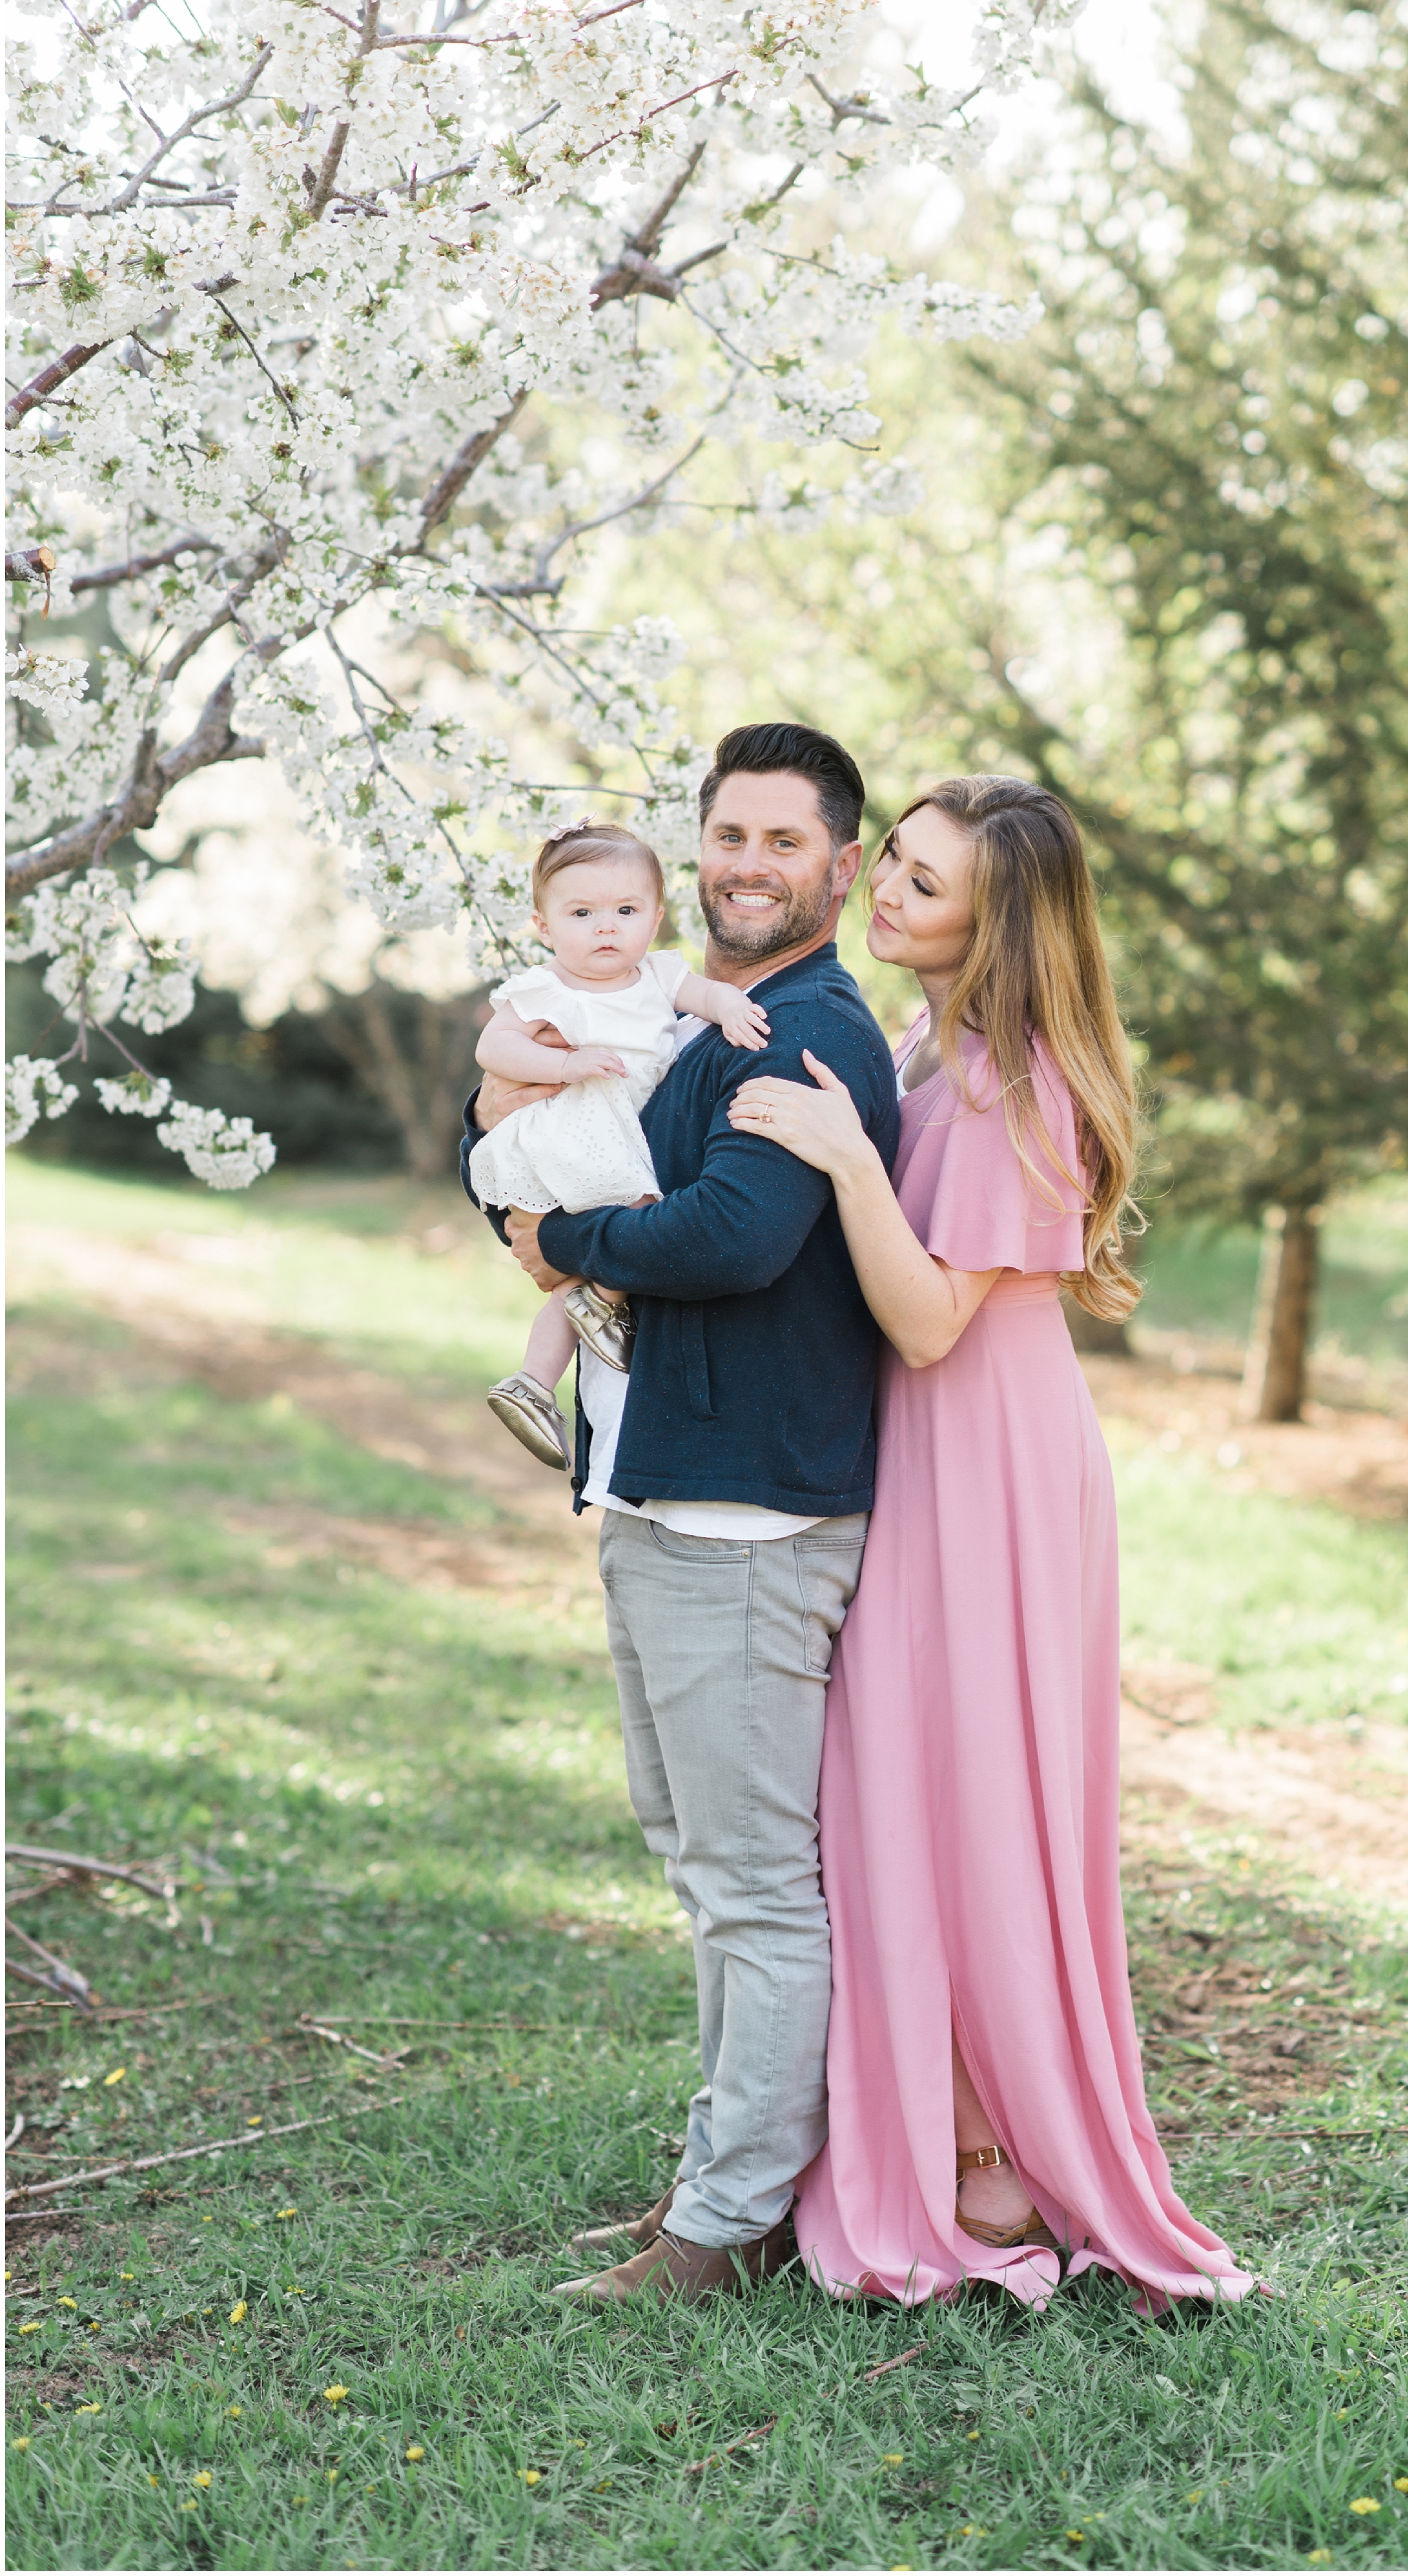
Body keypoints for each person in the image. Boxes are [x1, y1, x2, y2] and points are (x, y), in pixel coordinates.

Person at [726, 774, 1258, 2313]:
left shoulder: (1016, 1086)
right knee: (898, 1786)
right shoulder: (922, 1046)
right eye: (887, 861)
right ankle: (934, 2116)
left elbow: (928, 1316)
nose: (881, 890)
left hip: (990, 1466)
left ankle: (985, 2146)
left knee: (966, 1794)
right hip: (917, 1450)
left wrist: (835, 1155)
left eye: (922, 881)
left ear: (996, 920)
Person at [459, 723, 900, 2305]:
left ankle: (725, 2229)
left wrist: (548, 1228)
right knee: (696, 1856)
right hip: (658, 1490)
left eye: (785, 842)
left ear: (839, 867)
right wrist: (517, 1190)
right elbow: (505, 1118)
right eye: (727, 834)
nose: (745, 867)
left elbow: (726, 1238)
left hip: (747, 1521)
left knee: (750, 1883)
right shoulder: (686, 1008)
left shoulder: (814, 1030)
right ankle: (720, 2187)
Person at [470, 819, 770, 1472]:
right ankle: (604, 1306)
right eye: (582, 913)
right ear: (544, 926)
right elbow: (494, 1047)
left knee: (580, 1268)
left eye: (626, 911)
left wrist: (731, 1008)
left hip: (620, 1138)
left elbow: (708, 993)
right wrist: (565, 1063)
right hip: (573, 1126)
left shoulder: (658, 975)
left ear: (656, 918)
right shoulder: (548, 988)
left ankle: (532, 1381)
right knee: (636, 1215)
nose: (606, 928)